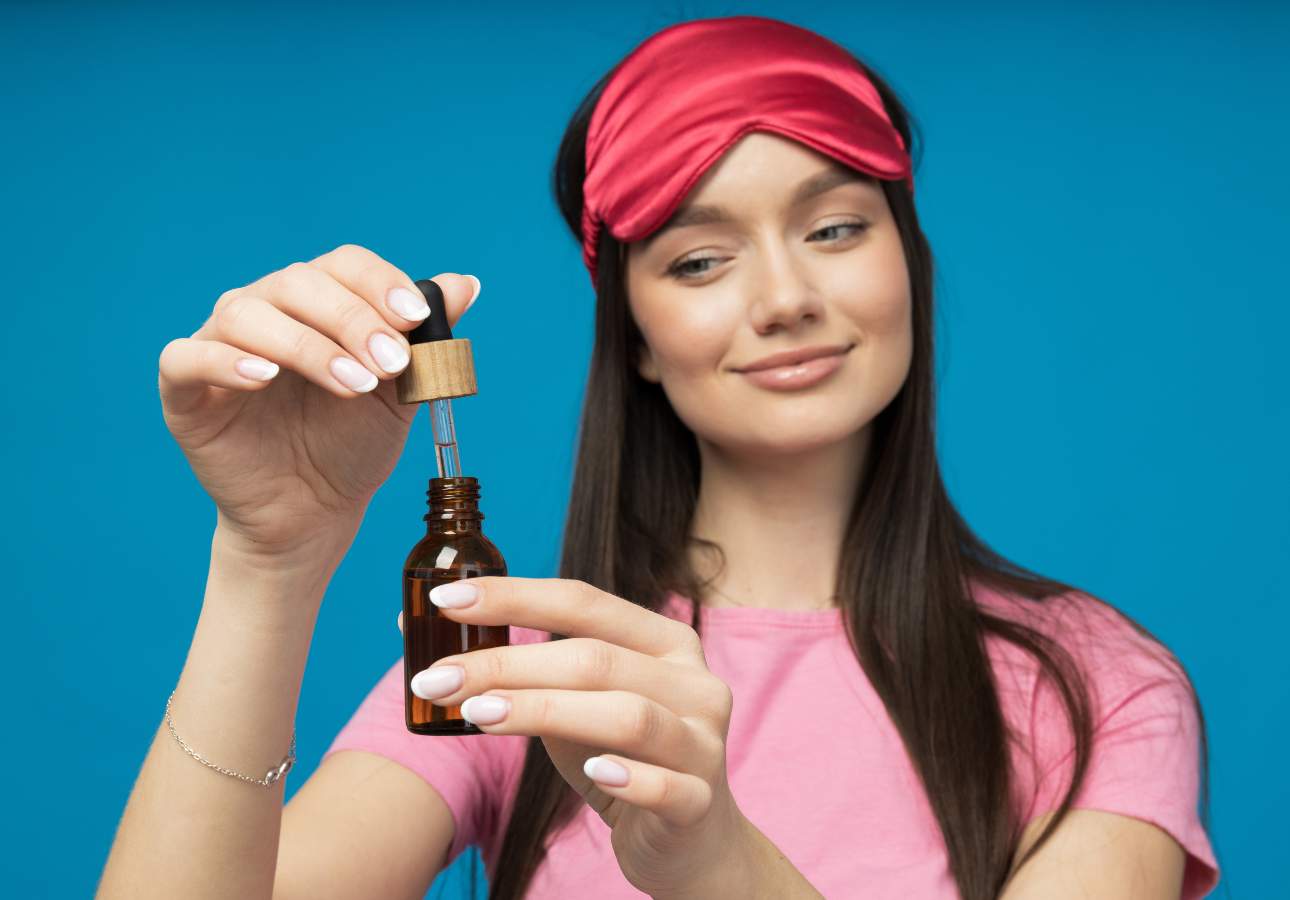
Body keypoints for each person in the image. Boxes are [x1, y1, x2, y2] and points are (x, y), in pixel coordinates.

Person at [99, 15, 1219, 900]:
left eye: (835, 229)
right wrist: (270, 557)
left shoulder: (1099, 688)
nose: (785, 299)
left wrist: (713, 860)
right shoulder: (523, 666)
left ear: (907, 262)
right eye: (698, 260)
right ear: (631, 330)